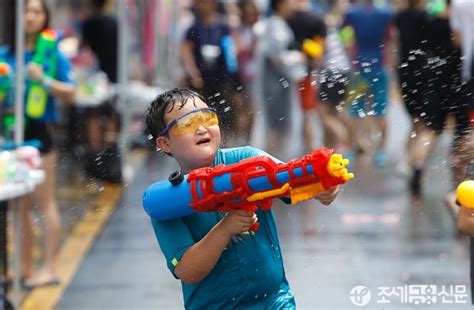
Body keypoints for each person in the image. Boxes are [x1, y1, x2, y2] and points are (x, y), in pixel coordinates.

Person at [144, 88, 339, 308]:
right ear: (165, 144)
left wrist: (321, 184)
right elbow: (189, 271)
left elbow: (290, 178)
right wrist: (225, 229)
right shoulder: (166, 203)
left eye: (207, 116)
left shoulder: (248, 161)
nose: (201, 127)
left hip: (274, 301)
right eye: (186, 123)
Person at [0, 0, 76, 288]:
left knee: (43, 202)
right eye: (26, 11)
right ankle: (23, 268)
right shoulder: (6, 55)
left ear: (45, 16)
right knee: (16, 205)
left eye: (36, 11)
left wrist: (43, 79)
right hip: (10, 135)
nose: (30, 17)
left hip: (40, 132)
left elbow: (70, 93)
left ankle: (49, 267)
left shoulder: (52, 54)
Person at [181, 0, 238, 146]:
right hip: (202, 82)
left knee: (223, 115)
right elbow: (186, 50)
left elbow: (232, 47)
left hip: (222, 79)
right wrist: (193, 74)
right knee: (202, 115)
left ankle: (223, 145)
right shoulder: (193, 28)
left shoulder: (223, 26)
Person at [343, 0, 393, 166]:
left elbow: (345, 36)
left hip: (358, 67)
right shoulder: (385, 13)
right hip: (380, 66)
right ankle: (380, 151)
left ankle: (351, 148)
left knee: (354, 110)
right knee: (380, 109)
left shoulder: (352, 13)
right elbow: (391, 38)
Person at [256, 0, 305, 156]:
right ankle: (269, 165)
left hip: (281, 85)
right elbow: (275, 57)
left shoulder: (279, 24)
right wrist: (297, 58)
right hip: (275, 86)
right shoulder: (274, 25)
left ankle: (274, 163)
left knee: (281, 126)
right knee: (276, 127)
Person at [80, 0, 122, 183]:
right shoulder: (114, 22)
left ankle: (96, 156)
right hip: (115, 76)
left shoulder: (89, 23)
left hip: (96, 77)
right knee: (112, 113)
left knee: (94, 114)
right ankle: (109, 152)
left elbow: (83, 48)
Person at [287, 0, 327, 153]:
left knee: (294, 114)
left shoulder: (286, 18)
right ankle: (310, 150)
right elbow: (319, 51)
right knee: (307, 113)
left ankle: (301, 149)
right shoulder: (316, 19)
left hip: (286, 73)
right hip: (306, 73)